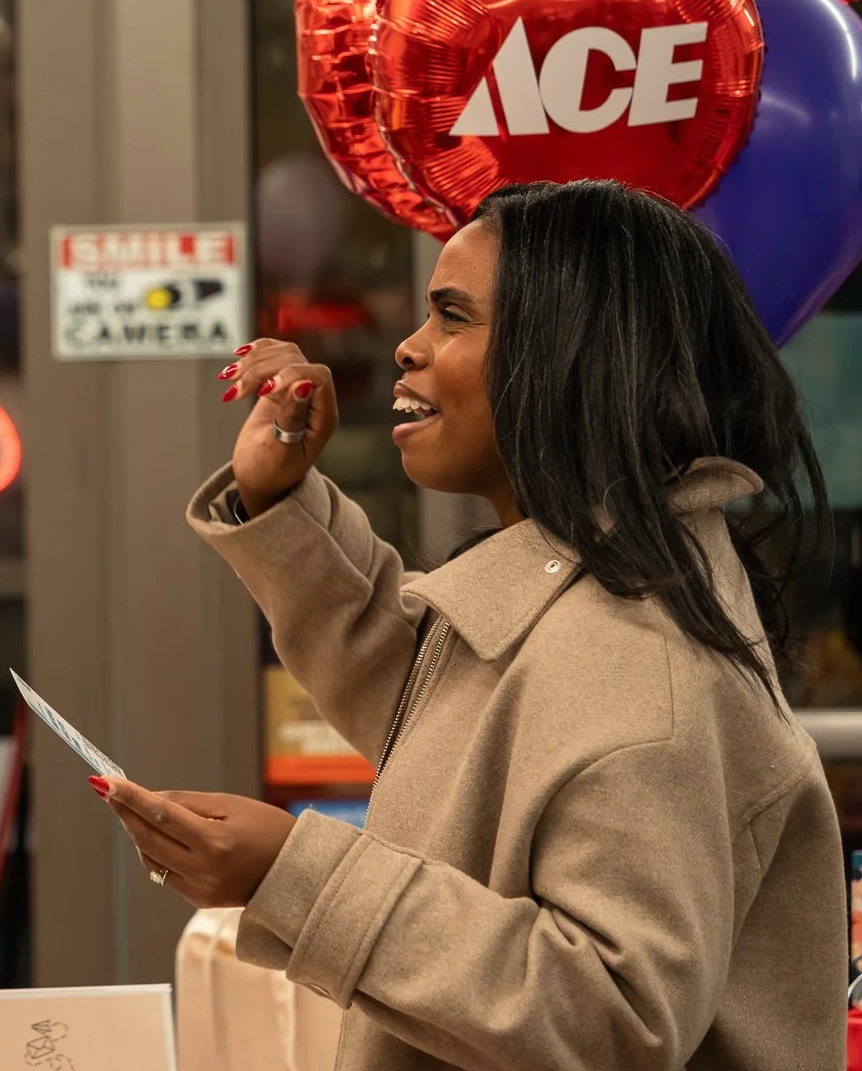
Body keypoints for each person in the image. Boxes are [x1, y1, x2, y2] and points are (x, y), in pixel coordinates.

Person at [95, 181, 845, 1070]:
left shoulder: (641, 663)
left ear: (572, 353)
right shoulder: (601, 593)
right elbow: (437, 714)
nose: (408, 349)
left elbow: (611, 1014)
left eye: (453, 317)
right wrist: (277, 495)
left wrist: (291, 873)